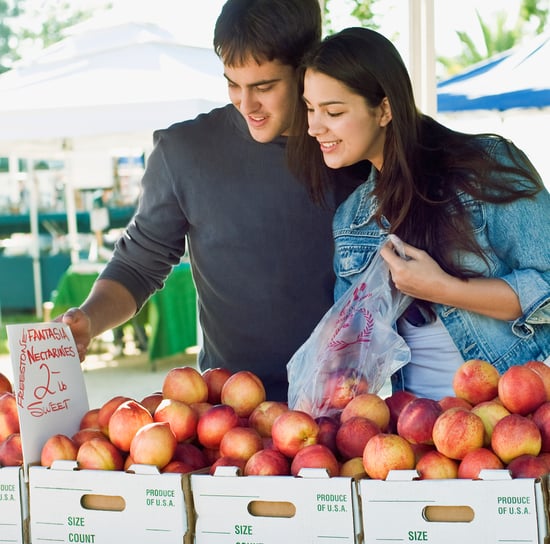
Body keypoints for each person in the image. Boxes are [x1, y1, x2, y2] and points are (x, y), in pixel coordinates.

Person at [56, 0, 367, 401]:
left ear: (307, 67)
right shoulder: (184, 151)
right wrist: (89, 319)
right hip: (226, 417)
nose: (246, 104)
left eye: (264, 87)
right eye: (232, 83)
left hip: (345, 411)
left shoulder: (354, 149)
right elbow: (138, 264)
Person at [288, 27, 550, 400]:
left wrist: (442, 288)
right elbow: (353, 355)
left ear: (384, 109)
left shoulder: (486, 169)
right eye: (310, 109)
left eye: (333, 111)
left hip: (513, 420)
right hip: (416, 436)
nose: (314, 126)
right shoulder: (350, 222)